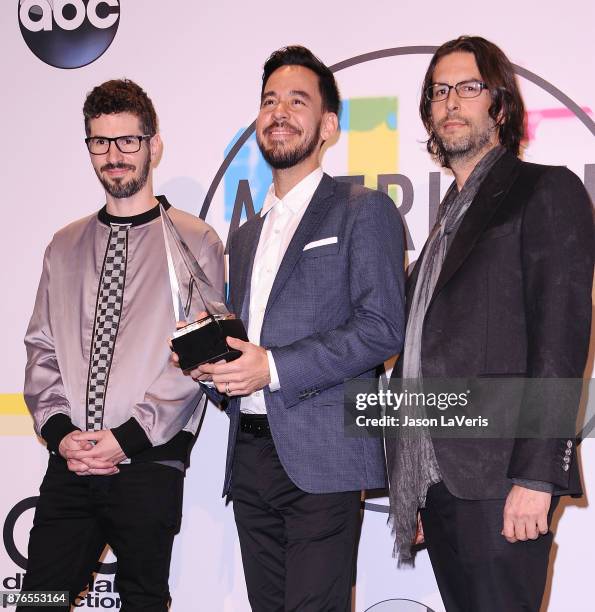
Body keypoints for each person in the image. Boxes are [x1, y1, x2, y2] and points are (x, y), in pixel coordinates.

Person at [191, 46, 405, 611]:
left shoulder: (364, 209)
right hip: (249, 458)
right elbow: (247, 353)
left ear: (328, 125)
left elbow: (383, 328)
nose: (279, 112)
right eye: (269, 101)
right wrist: (213, 368)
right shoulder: (244, 235)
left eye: (297, 101)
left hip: (325, 456)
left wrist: (274, 367)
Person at [386, 36, 593, 612]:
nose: (451, 102)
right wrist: (414, 479)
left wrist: (537, 476)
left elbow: (561, 341)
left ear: (500, 105)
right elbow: (421, 351)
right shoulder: (445, 222)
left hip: (504, 479)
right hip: (442, 486)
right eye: (439, 91)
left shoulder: (545, 190)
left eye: (468, 88)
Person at [21, 79, 224, 611]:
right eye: (100, 142)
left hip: (149, 467)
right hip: (71, 466)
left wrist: (129, 438)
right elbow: (41, 348)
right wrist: (64, 437)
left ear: (153, 145)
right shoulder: (63, 246)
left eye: (127, 140)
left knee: (141, 601)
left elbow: (199, 358)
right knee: (39, 600)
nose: (114, 155)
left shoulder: (194, 240)